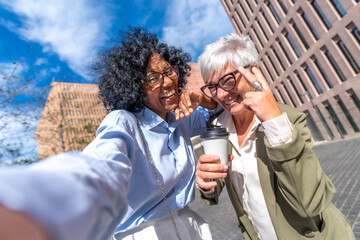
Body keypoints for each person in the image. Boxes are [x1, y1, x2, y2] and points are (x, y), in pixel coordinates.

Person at [0, 27, 217, 240]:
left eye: (169, 71)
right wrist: (34, 203)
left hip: (191, 224)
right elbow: (102, 165)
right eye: (152, 78)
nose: (168, 82)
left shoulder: (180, 117)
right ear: (135, 87)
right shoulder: (123, 122)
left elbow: (217, 110)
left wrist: (201, 99)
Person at [194, 32, 355, 240]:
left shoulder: (289, 119)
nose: (221, 94)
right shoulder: (216, 129)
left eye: (227, 80)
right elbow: (213, 193)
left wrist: (274, 123)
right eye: (212, 87)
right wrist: (206, 183)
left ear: (253, 72)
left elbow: (312, 203)